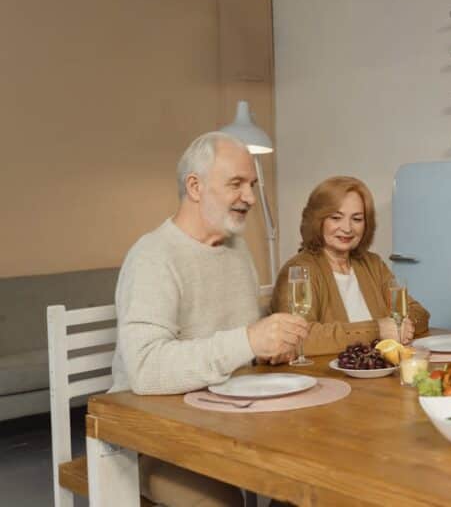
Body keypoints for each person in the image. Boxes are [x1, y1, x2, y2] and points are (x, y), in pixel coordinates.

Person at [110, 131, 310, 506]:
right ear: (195, 186)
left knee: (312, 485)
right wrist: (247, 341)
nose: (250, 197)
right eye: (236, 183)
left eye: (251, 184)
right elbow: (146, 369)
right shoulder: (153, 256)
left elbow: (233, 348)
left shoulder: (236, 251)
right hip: (156, 439)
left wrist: (263, 351)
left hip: (230, 424)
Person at [273, 176, 429, 353]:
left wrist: (405, 325)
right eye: (336, 217)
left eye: (357, 219)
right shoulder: (298, 271)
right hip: (329, 377)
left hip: (377, 370)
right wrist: (377, 330)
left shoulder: (373, 264)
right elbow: (298, 338)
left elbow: (419, 312)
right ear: (318, 220)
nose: (347, 228)